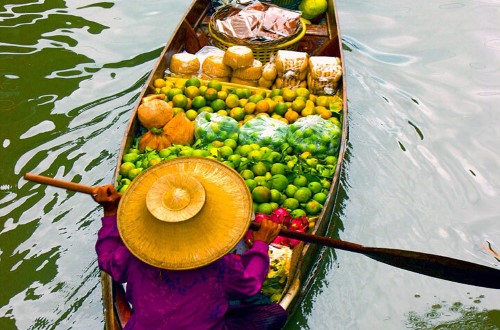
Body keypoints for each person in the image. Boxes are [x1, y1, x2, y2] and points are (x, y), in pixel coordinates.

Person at [92, 157, 288, 329]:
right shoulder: (220, 267)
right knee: (274, 314)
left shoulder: (133, 255)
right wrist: (261, 244)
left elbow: (106, 259)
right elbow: (250, 283)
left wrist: (110, 211)